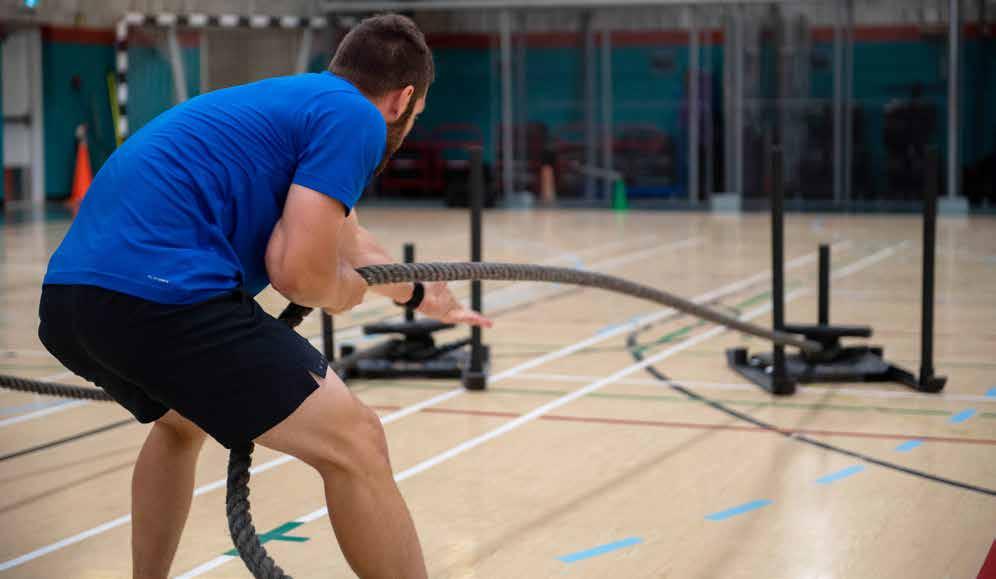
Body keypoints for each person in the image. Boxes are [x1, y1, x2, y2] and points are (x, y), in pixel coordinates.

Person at [37, 14, 488, 579]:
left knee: (181, 424)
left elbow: (352, 243)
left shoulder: (299, 105)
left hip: (73, 301)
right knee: (357, 441)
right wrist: (340, 292)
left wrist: (422, 295)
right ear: (402, 100)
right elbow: (299, 274)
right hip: (162, 298)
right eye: (415, 114)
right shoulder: (356, 119)